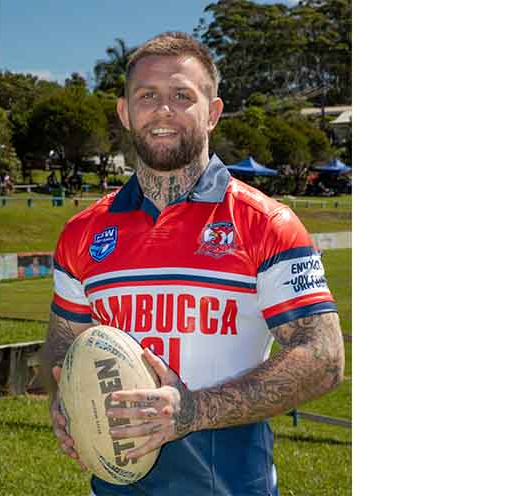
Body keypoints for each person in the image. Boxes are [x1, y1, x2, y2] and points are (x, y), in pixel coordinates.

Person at [39, 32, 344, 496]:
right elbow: (63, 345)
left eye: (182, 96)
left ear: (213, 112)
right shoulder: (83, 231)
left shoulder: (266, 223)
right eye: (147, 96)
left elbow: (323, 356)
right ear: (125, 112)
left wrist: (194, 411)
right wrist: (64, 402)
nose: (163, 110)